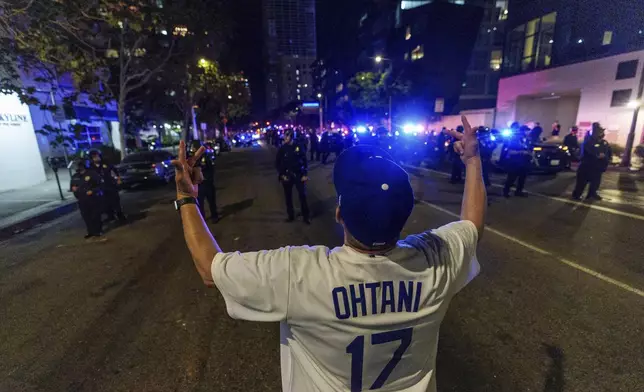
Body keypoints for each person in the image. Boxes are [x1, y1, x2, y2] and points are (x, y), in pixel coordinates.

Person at [171, 114, 485, 392]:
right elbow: (472, 227)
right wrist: (473, 161)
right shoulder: (436, 261)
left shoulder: (300, 273)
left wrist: (186, 197)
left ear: (339, 214)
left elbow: (209, 267)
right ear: (405, 216)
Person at [276, 129, 310, 223]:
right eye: (284, 135)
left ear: (291, 136)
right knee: (288, 196)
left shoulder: (298, 146)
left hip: (298, 174)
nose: (284, 137)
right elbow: (277, 163)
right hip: (287, 175)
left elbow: (304, 161)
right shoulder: (282, 148)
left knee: (302, 196)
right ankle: (290, 215)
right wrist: (282, 174)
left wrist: (305, 174)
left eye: (287, 136)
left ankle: (306, 217)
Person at [572, 122, 611, 201]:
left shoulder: (604, 143)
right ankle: (577, 195)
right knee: (582, 183)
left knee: (595, 182)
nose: (602, 133)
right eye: (600, 131)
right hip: (587, 166)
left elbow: (608, 152)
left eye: (602, 132)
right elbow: (588, 151)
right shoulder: (589, 141)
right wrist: (597, 155)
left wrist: (606, 158)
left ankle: (592, 194)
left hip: (597, 167)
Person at [89, 150, 126, 222]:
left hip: (110, 185)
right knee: (105, 203)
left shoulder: (106, 164)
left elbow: (114, 172)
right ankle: (110, 216)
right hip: (100, 187)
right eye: (94, 157)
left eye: (97, 156)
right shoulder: (91, 168)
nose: (96, 158)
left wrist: (118, 179)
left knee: (115, 201)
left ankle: (120, 215)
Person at [70, 160, 103, 238]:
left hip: (93, 198)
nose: (76, 168)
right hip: (82, 199)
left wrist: (93, 191)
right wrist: (73, 189)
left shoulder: (92, 174)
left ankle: (98, 231)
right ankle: (90, 231)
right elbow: (72, 186)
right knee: (86, 216)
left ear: (82, 166)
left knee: (95, 215)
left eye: (77, 166)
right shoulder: (75, 176)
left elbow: (100, 185)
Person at [191, 141, 219, 223]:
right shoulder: (193, 158)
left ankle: (214, 216)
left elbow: (211, 169)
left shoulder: (206, 157)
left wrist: (208, 178)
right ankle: (202, 219)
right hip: (199, 185)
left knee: (211, 201)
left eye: (194, 147)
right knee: (200, 204)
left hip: (207, 183)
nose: (193, 149)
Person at [502, 125, 532, 197]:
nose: (528, 132)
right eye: (526, 131)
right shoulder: (515, 140)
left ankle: (518, 191)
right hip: (515, 162)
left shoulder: (526, 139)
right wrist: (521, 152)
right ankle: (506, 192)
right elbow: (510, 151)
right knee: (511, 178)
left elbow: (528, 149)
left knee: (522, 178)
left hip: (524, 162)